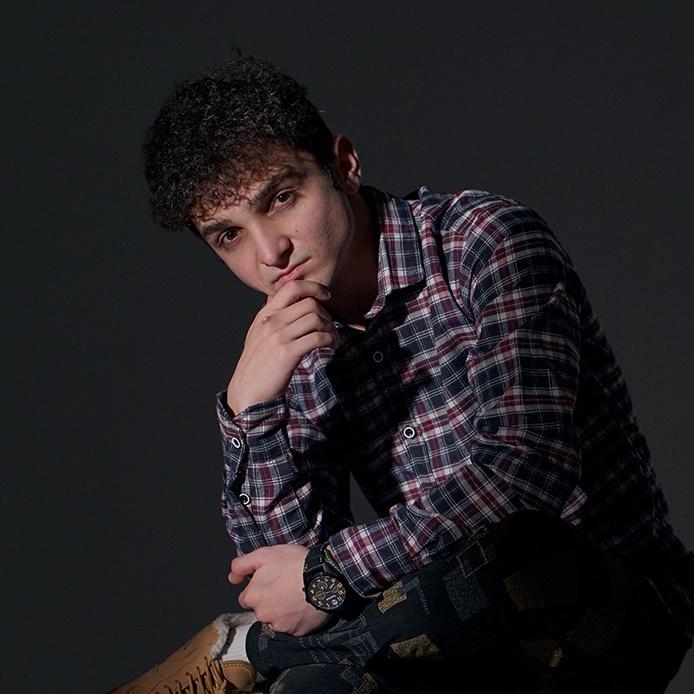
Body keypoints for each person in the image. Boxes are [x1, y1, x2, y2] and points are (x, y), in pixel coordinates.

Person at [110, 54, 693, 693]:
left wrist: (331, 575)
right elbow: (286, 584)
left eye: (281, 199)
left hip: (602, 611)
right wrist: (252, 412)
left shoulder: (483, 242)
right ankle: (275, 660)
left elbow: (527, 472)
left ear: (344, 166)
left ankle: (253, 653)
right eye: (230, 237)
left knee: (510, 549)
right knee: (317, 687)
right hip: (449, 642)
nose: (269, 252)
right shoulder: (290, 344)